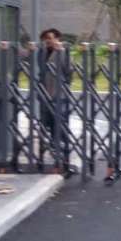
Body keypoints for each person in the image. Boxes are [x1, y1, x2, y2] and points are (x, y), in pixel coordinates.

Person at [37, 28, 73, 175]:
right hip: (45, 94)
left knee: (61, 128)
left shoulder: (63, 52)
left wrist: (61, 52)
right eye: (45, 38)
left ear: (57, 38)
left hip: (59, 95)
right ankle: (50, 158)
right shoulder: (42, 52)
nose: (48, 41)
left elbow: (68, 72)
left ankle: (64, 160)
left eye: (50, 38)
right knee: (48, 127)